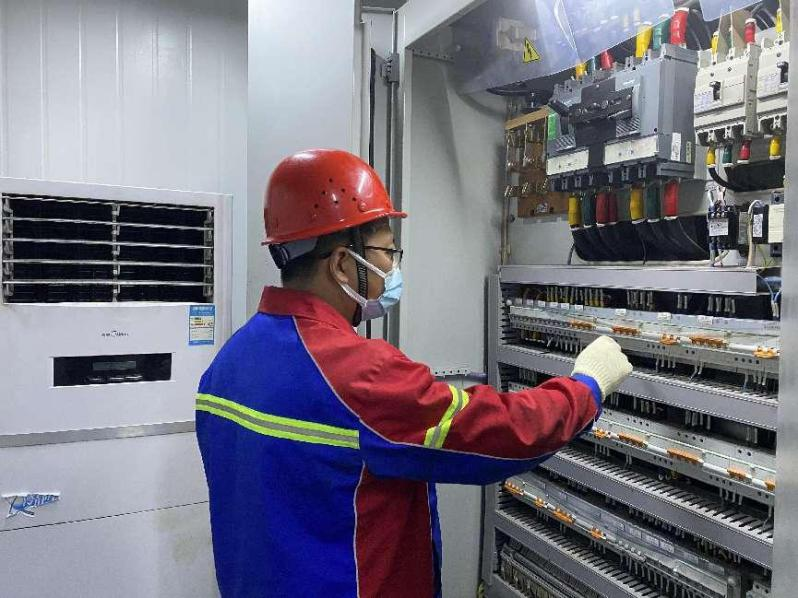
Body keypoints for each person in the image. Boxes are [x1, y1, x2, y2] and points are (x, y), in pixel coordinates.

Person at [195, 149, 633, 598]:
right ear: (342, 263)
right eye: (387, 252)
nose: (393, 268)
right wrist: (587, 385)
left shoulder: (228, 363)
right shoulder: (356, 376)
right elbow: (504, 431)